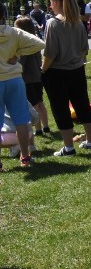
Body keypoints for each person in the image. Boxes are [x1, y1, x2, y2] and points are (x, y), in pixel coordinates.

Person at [42, 0, 91, 156]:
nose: (50, 5)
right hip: (77, 70)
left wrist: (43, 70)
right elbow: (83, 50)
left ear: (57, 3)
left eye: (52, 1)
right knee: (83, 105)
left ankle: (68, 147)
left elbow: (50, 53)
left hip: (57, 73)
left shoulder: (53, 24)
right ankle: (89, 142)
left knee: (60, 109)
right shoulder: (78, 23)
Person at [0, 13, 45, 169]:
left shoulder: (15, 32)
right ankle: (25, 156)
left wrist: (18, 53)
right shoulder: (14, 32)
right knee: (21, 120)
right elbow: (39, 43)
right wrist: (18, 53)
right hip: (15, 80)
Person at [14, 17, 50, 136]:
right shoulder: (35, 41)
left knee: (32, 104)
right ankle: (46, 126)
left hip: (28, 78)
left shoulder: (24, 45)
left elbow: (21, 62)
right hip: (38, 76)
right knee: (40, 102)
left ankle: (38, 128)